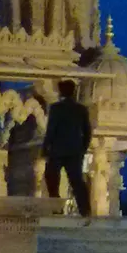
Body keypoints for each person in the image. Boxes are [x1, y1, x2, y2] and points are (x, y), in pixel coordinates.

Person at [43, 79, 93, 217]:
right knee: (76, 181)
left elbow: (51, 130)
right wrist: (82, 148)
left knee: (52, 177)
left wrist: (45, 148)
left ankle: (56, 207)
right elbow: (87, 132)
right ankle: (85, 210)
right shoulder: (81, 109)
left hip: (58, 150)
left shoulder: (56, 108)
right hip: (75, 150)